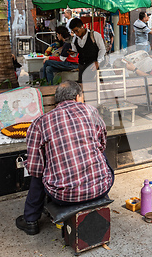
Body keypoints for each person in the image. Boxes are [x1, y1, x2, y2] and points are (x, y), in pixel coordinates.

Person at [15, 81, 114, 235]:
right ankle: (96, 189)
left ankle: (30, 220)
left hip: (63, 196)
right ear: (77, 96)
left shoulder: (40, 123)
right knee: (99, 152)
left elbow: (35, 168)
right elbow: (102, 144)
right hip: (101, 188)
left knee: (40, 168)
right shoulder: (92, 112)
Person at [69, 18, 106, 83]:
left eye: (77, 31)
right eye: (73, 32)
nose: (76, 33)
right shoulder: (75, 39)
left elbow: (102, 49)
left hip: (93, 66)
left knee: (95, 86)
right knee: (82, 87)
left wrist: (98, 61)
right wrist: (72, 53)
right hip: (82, 67)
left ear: (82, 26)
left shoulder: (94, 35)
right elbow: (75, 52)